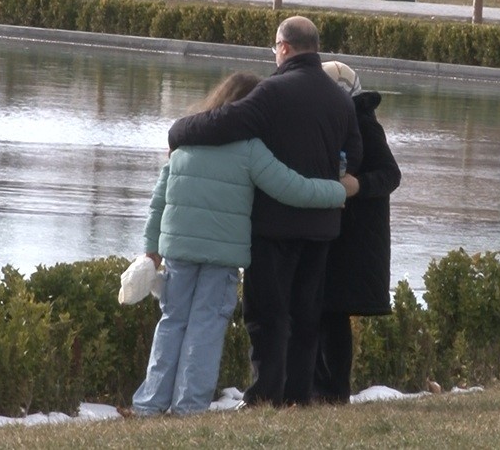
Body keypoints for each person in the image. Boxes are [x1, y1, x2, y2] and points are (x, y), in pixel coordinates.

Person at [132, 71, 357, 416]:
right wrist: (338, 190)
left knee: (171, 322)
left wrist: (151, 253)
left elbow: (157, 203)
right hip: (222, 254)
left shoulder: (186, 143)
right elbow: (292, 188)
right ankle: (189, 405)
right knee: (206, 325)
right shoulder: (250, 150)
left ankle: (150, 403)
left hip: (177, 249)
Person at [313, 61, 402, 404]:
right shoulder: (324, 121)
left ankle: (334, 392)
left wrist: (357, 185)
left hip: (353, 239)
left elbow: (391, 175)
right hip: (330, 232)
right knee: (318, 310)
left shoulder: (365, 124)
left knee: (333, 312)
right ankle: (317, 389)